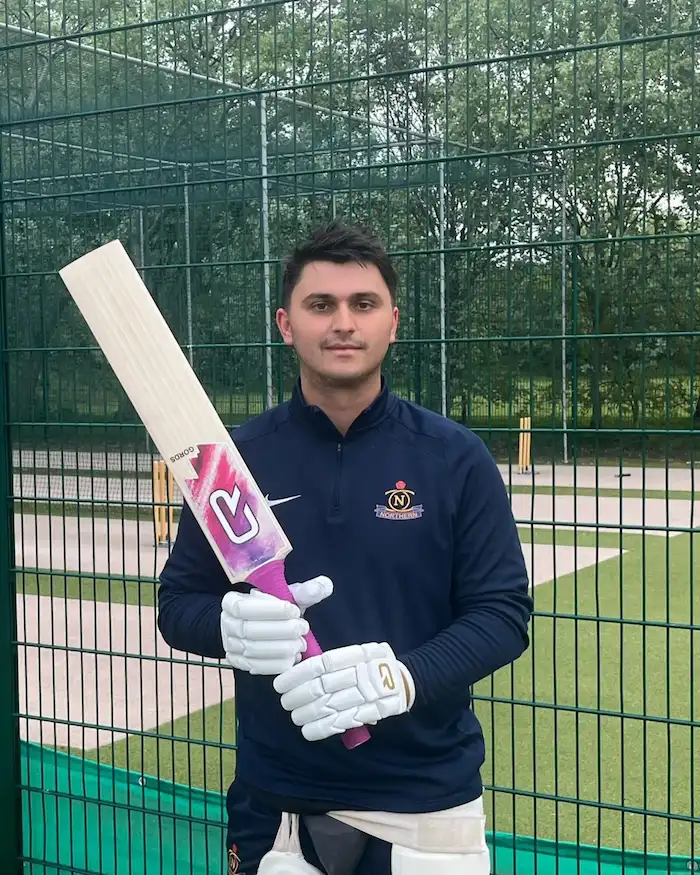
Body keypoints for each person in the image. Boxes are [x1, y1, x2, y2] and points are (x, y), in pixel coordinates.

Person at [156, 220, 533, 875]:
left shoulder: (453, 458)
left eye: (363, 304)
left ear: (392, 321)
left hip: (425, 797)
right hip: (278, 797)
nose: (343, 323)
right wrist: (228, 625)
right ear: (285, 323)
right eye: (320, 304)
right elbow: (178, 603)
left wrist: (404, 676)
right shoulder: (235, 460)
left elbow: (502, 613)